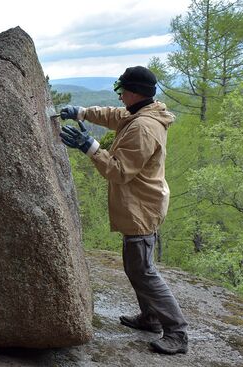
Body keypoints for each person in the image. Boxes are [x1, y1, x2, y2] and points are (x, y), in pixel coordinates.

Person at [58, 65, 188, 355]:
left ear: (135, 93)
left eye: (121, 91)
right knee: (136, 267)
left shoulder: (144, 128)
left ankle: (177, 332)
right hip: (141, 203)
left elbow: (118, 171)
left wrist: (90, 146)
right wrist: (82, 112)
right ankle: (151, 318)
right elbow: (116, 116)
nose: (119, 97)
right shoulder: (142, 113)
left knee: (142, 270)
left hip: (141, 207)